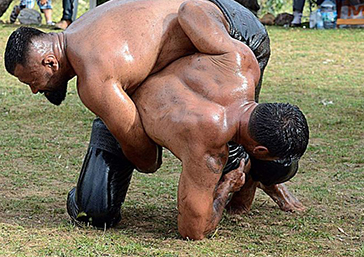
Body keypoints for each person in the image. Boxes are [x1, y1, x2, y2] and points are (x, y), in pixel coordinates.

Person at [4, 0, 271, 228]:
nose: (35, 90)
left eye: (31, 81)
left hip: (231, 28)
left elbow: (148, 159)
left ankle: (258, 181)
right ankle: (250, 179)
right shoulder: (80, 27)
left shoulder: (94, 78)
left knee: (232, 129)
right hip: (217, 9)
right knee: (95, 205)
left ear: (50, 62)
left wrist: (131, 122)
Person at [124, 45, 309, 240]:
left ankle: (263, 181)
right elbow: (193, 230)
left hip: (137, 65)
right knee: (100, 210)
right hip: (123, 114)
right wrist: (227, 185)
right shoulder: (210, 143)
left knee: (277, 166)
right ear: (260, 150)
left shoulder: (243, 64)